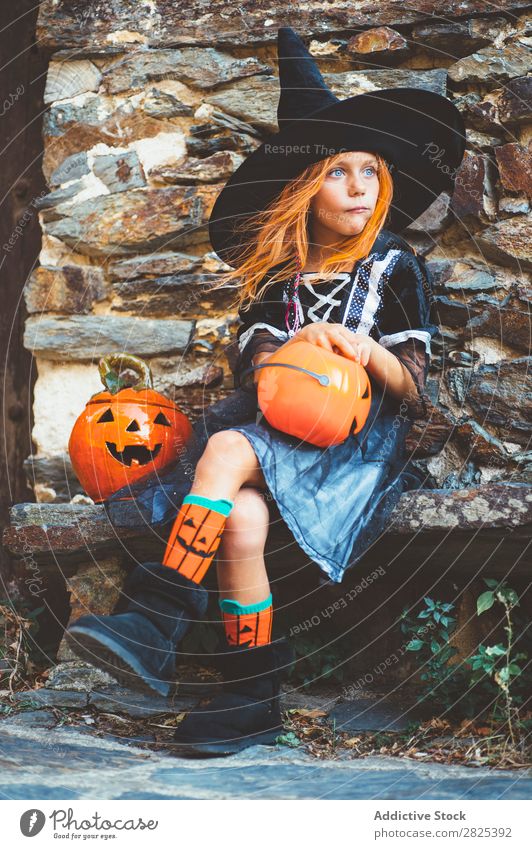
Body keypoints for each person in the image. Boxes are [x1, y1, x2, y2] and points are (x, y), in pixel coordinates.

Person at [65, 27, 466, 757]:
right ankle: (251, 693)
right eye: (338, 172)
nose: (357, 187)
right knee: (241, 520)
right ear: (304, 189)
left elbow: (413, 385)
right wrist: (295, 345)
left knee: (221, 445)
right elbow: (264, 378)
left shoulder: (392, 269)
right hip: (276, 439)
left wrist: (363, 348)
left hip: (348, 454)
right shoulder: (273, 287)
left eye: (369, 172)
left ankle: (154, 617)